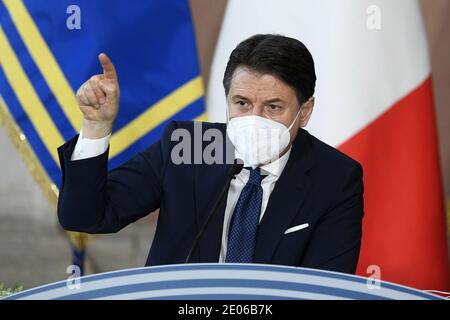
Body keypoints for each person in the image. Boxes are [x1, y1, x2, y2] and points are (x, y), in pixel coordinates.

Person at [57, 34, 364, 273]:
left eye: (273, 107)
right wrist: (95, 127)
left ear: (305, 111)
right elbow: (84, 217)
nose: (254, 119)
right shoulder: (192, 146)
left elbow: (324, 287)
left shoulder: (334, 178)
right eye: (242, 103)